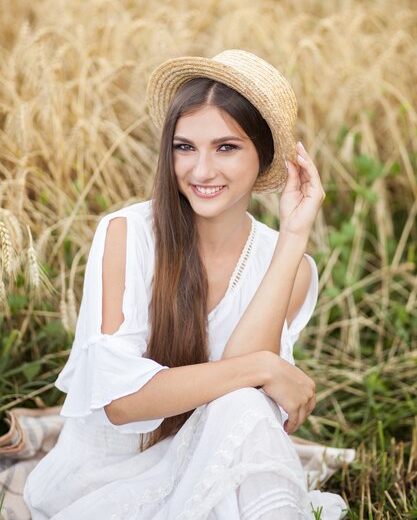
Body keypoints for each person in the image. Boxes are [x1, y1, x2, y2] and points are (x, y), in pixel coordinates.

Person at [23, 50, 348, 519]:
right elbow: (121, 403)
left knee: (246, 408)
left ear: (265, 155)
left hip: (210, 462)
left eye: (226, 147)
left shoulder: (289, 266)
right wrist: (263, 366)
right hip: (108, 477)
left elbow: (242, 405)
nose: (200, 171)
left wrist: (295, 236)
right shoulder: (128, 234)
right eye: (184, 146)